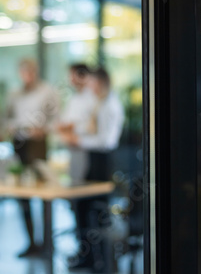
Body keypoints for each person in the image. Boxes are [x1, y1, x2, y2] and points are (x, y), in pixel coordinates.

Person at [60, 68, 125, 273]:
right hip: (93, 161)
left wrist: (78, 140)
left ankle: (103, 261)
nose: (89, 87)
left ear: (100, 83)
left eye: (92, 83)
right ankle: (88, 256)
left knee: (98, 213)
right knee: (85, 209)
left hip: (102, 162)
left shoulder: (110, 105)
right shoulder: (100, 103)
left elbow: (106, 140)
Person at [6, 59, 60, 257]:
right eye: (23, 72)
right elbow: (7, 117)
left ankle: (47, 243)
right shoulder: (14, 93)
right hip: (19, 142)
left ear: (35, 72)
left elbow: (56, 117)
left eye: (30, 72)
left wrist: (44, 129)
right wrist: (12, 126)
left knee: (43, 189)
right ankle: (31, 242)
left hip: (38, 143)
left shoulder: (47, 91)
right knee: (23, 192)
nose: (26, 76)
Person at [57, 63, 97, 182]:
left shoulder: (93, 97)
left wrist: (74, 127)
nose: (71, 79)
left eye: (72, 75)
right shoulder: (73, 98)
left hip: (87, 148)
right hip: (73, 147)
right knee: (75, 180)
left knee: (86, 183)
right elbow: (65, 121)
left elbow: (93, 126)